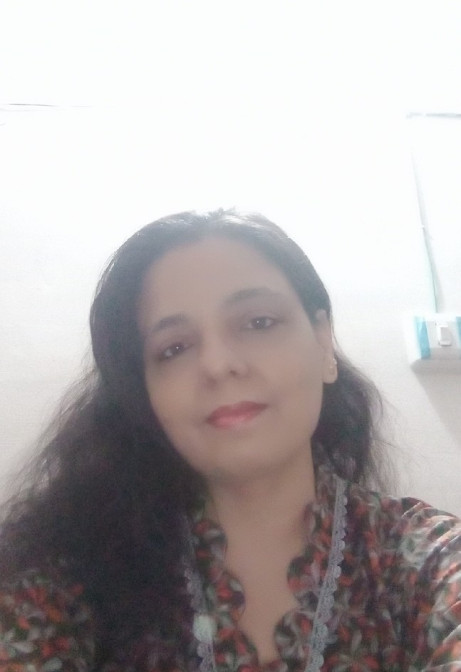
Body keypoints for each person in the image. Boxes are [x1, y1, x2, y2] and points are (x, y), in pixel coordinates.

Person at [0, 208, 460, 672]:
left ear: (324, 343)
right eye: (174, 348)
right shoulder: (68, 576)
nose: (218, 364)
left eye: (258, 322)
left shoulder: (427, 560)